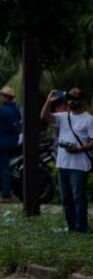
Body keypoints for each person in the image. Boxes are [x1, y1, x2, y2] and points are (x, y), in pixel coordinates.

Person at [40, 88, 91, 233]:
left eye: (75, 99)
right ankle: (71, 226)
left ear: (81, 101)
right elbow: (44, 116)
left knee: (78, 198)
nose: (71, 102)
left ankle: (81, 228)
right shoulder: (63, 116)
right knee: (66, 198)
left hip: (79, 165)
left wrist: (78, 149)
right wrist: (48, 101)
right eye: (69, 98)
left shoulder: (89, 119)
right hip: (63, 164)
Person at [0, 86, 22, 203]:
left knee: (4, 169)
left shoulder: (2, 110)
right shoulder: (16, 109)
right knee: (7, 168)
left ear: (6, 97)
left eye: (2, 96)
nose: (0, 97)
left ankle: (6, 195)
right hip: (13, 142)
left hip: (2, 142)